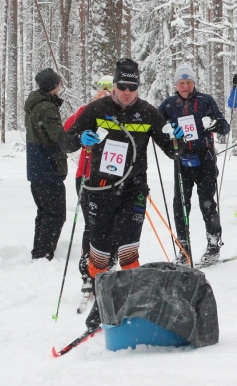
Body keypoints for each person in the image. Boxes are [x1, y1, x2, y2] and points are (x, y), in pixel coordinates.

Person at [61, 58, 176, 328]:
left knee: (128, 249)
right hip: (100, 190)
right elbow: (65, 141)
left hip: (133, 190)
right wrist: (80, 139)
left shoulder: (148, 112)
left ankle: (132, 303)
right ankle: (101, 299)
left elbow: (172, 150)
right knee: (99, 252)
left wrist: (178, 138)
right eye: (123, 85)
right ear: (114, 85)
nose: (127, 91)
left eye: (133, 86)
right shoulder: (97, 109)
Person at [159, 64, 230, 265]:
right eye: (181, 82)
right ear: (176, 84)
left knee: (207, 203)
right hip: (181, 159)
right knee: (180, 205)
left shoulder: (205, 100)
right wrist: (167, 132)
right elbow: (156, 127)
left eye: (189, 82)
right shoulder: (168, 104)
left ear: (194, 83)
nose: (185, 86)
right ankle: (183, 249)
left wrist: (214, 125)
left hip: (204, 158)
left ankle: (214, 244)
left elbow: (224, 126)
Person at [63, 75, 112, 294]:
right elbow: (68, 128)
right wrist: (92, 105)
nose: (106, 92)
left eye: (111, 88)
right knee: (91, 226)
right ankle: (88, 272)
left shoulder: (120, 112)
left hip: (112, 177)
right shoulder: (89, 109)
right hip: (86, 175)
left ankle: (108, 266)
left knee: (113, 225)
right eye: (103, 88)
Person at [25, 68, 68, 261]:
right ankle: (44, 254)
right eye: (58, 82)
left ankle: (40, 251)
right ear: (53, 86)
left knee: (44, 212)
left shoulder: (35, 104)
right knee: (55, 214)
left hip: (37, 167)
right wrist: (75, 139)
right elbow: (58, 137)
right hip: (48, 167)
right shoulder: (47, 107)